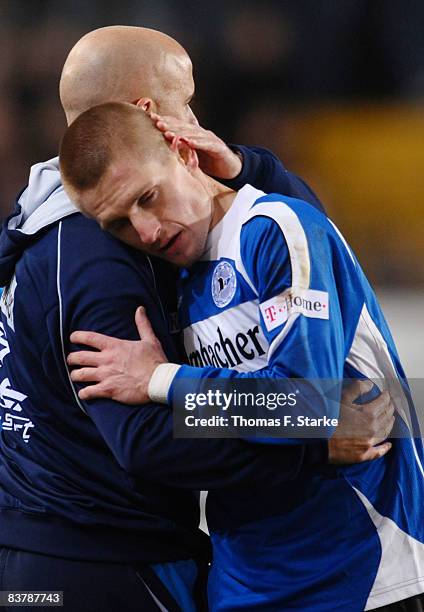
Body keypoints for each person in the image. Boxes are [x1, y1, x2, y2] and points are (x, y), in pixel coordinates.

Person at [0, 26, 391, 611]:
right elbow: (145, 438)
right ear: (152, 116)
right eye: (184, 104)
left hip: (59, 563)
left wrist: (240, 167)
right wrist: (314, 442)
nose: (196, 121)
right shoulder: (107, 255)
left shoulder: (123, 237)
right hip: (105, 566)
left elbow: (307, 255)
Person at [60, 101, 424, 612]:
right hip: (245, 583)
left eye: (147, 197)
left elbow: (308, 405)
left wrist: (162, 380)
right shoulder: (166, 280)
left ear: (184, 153)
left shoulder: (276, 229)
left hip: (363, 571)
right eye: (118, 223)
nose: (145, 232)